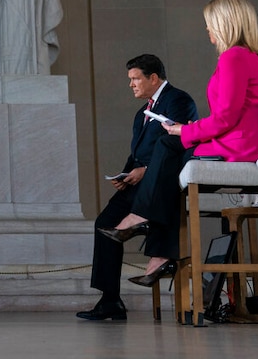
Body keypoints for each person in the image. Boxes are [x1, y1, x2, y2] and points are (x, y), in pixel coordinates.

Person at [100, 0, 258, 289]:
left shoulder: (234, 57)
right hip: (239, 139)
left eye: (210, 24)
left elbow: (226, 118)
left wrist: (184, 131)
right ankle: (157, 252)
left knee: (167, 149)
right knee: (168, 168)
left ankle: (144, 225)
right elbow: (229, 115)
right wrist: (188, 130)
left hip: (238, 146)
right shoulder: (247, 57)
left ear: (225, 23)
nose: (207, 30)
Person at [77, 54, 198, 321]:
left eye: (135, 79)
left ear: (153, 78)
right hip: (138, 182)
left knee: (136, 215)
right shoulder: (140, 112)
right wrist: (126, 174)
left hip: (163, 180)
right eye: (130, 79)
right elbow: (137, 154)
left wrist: (146, 171)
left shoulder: (178, 100)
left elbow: (178, 144)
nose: (131, 84)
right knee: (104, 224)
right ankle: (110, 300)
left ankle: (156, 252)